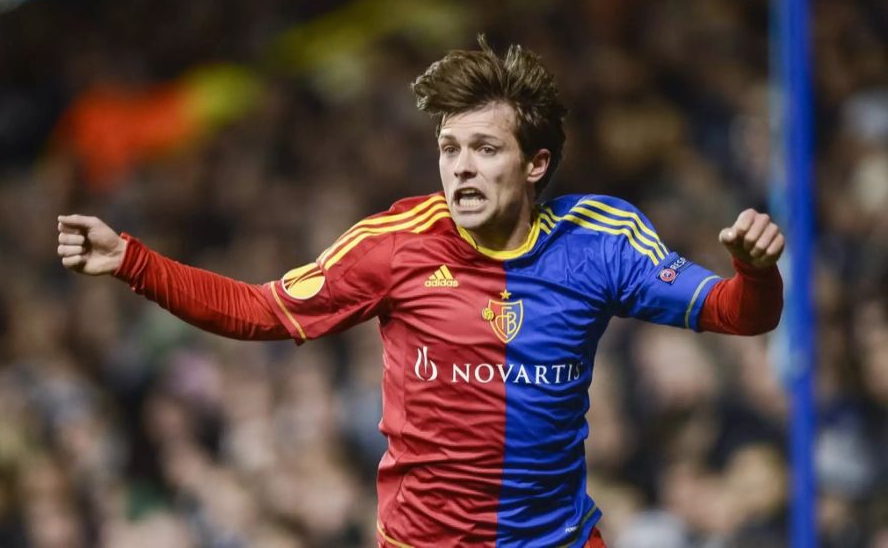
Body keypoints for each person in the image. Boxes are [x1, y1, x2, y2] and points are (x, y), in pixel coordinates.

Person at [56, 37, 784, 547]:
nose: (460, 169)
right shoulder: (396, 243)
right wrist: (132, 260)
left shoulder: (601, 241)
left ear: (535, 163)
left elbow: (738, 317)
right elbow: (262, 311)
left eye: (484, 149)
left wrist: (755, 272)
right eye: (449, 149)